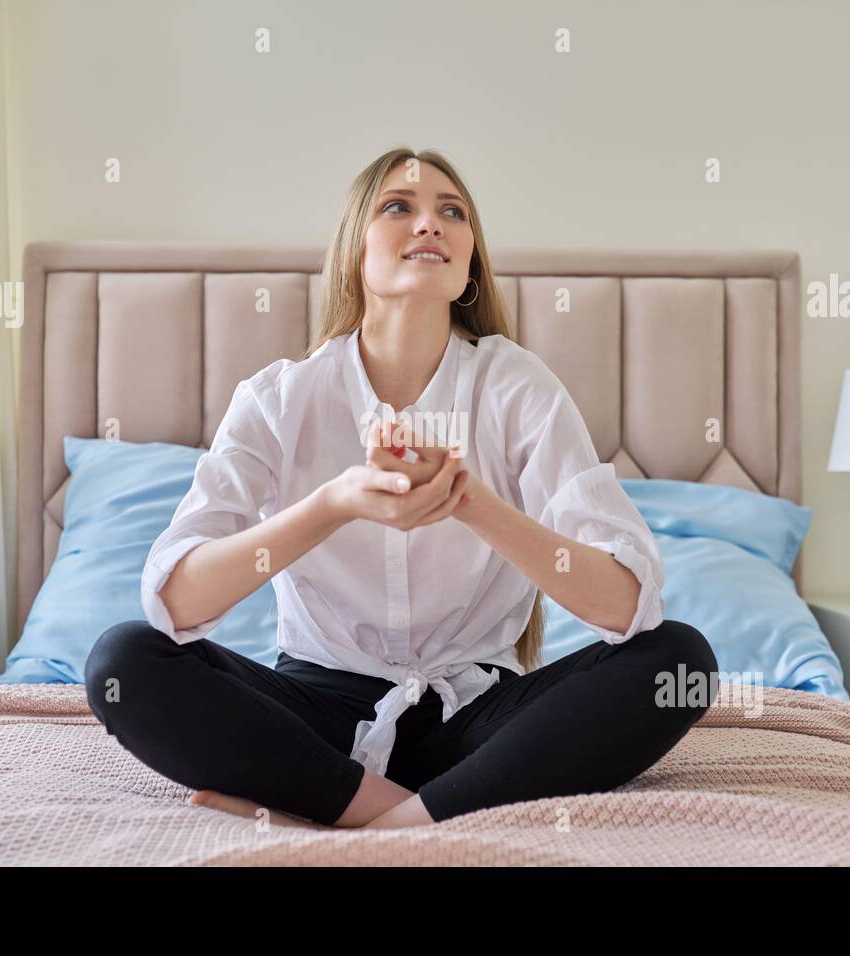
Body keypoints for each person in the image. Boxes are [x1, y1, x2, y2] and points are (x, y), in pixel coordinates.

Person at [84, 146, 717, 830]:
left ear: (470, 264)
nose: (429, 225)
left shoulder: (517, 386)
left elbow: (628, 609)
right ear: (355, 251)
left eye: (452, 212)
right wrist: (334, 505)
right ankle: (410, 812)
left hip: (479, 728)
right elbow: (174, 601)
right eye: (398, 208)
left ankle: (369, 822)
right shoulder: (278, 399)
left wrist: (469, 502)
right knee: (124, 659)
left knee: (676, 662)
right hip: (314, 722)